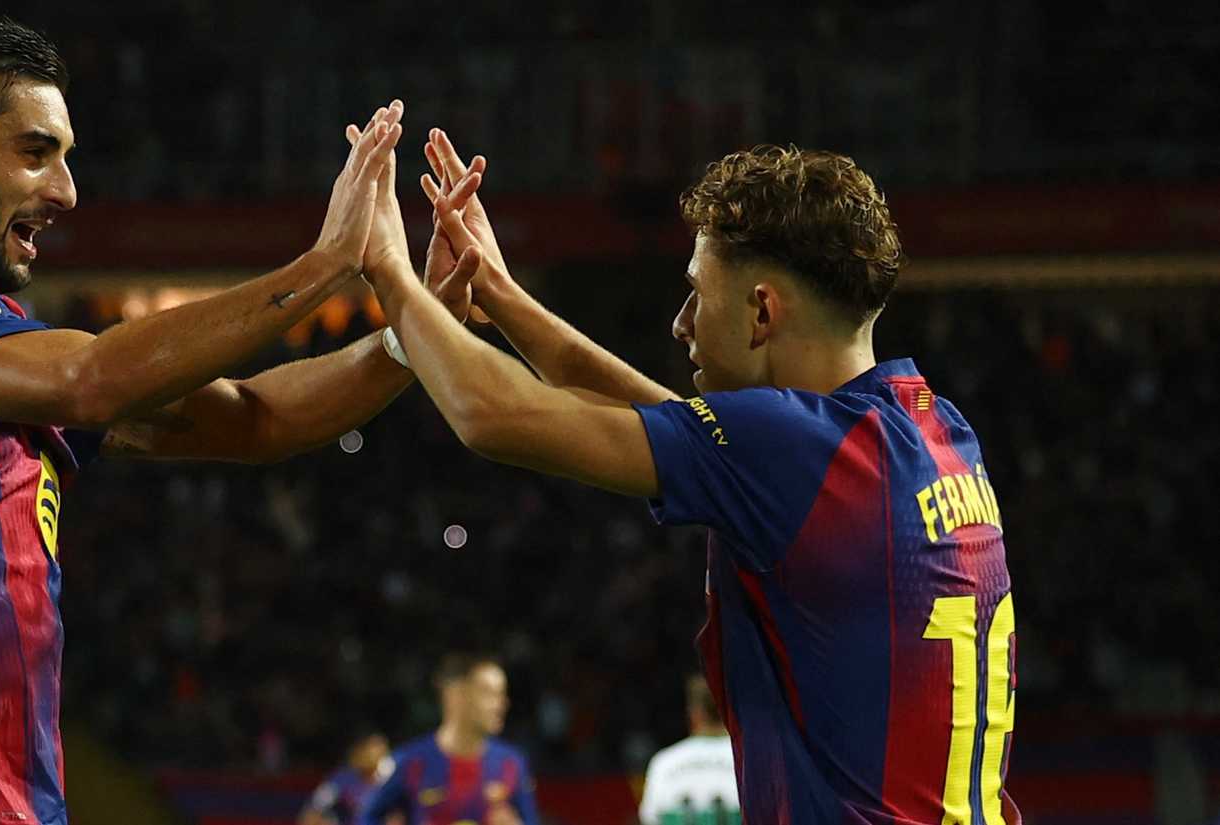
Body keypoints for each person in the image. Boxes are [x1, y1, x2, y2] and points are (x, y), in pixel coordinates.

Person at [0, 14, 465, 824]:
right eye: (34, 151)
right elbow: (93, 379)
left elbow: (252, 419)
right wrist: (327, 264)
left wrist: (411, 338)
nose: (65, 190)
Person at [363, 131, 1019, 823]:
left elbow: (488, 413)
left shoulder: (786, 448)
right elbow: (664, 422)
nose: (680, 325)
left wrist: (387, 270)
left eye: (696, 294)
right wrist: (499, 295)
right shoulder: (936, 431)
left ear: (763, 311)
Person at [358, 653, 538, 825]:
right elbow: (366, 818)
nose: (502, 703)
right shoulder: (408, 761)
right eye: (489, 693)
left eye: (502, 694)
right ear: (455, 695)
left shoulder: (512, 763)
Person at [638, 676, 739, 825]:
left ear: (695, 713)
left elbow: (650, 818)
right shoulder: (749, 761)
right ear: (730, 709)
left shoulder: (664, 762)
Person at [298, 730, 394, 825]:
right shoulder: (342, 779)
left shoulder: (392, 780)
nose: (372, 756)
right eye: (369, 750)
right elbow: (313, 809)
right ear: (358, 752)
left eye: (380, 751)